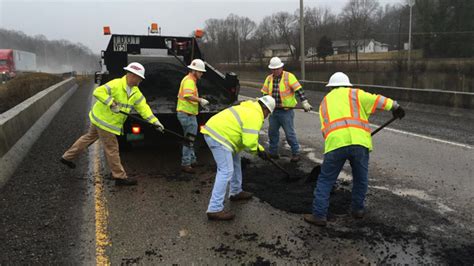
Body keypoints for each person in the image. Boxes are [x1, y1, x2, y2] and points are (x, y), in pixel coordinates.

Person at [304, 72, 405, 226]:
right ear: (347, 84)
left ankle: (319, 216)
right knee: (360, 178)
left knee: (325, 180)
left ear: (331, 87)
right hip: (360, 143)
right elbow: (377, 100)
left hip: (336, 144)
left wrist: (334, 142)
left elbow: (325, 128)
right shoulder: (355, 94)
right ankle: (358, 209)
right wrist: (395, 106)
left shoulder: (325, 102)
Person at [60, 62, 164, 186]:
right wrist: (111, 103)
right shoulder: (116, 84)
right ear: (132, 75)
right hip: (105, 122)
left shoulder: (136, 92)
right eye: (140, 78)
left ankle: (66, 157)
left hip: (99, 119)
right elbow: (98, 92)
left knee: (88, 138)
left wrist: (155, 122)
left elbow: (144, 108)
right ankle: (120, 177)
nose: (140, 81)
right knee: (112, 149)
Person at [201, 96, 275, 221]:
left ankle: (236, 191)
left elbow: (247, 135)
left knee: (236, 162)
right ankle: (214, 209)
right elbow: (249, 142)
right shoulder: (255, 115)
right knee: (225, 171)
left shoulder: (249, 108)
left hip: (221, 135)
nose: (267, 116)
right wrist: (258, 152)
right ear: (266, 110)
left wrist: (261, 150)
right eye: (268, 113)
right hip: (220, 137)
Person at [261, 56, 312, 162]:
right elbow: (264, 93)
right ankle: (273, 153)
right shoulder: (269, 79)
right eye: (273, 69)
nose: (275, 71)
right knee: (272, 132)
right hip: (274, 111)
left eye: (277, 69)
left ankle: (296, 153)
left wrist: (305, 102)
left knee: (289, 134)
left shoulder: (289, 77)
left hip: (286, 111)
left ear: (281, 67)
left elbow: (299, 90)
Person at [176, 59, 209, 174]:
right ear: (194, 71)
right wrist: (200, 100)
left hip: (188, 114)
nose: (201, 74)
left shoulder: (190, 80)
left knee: (191, 138)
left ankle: (192, 160)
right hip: (186, 114)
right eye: (200, 72)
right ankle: (186, 163)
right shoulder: (189, 81)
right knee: (189, 139)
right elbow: (187, 95)